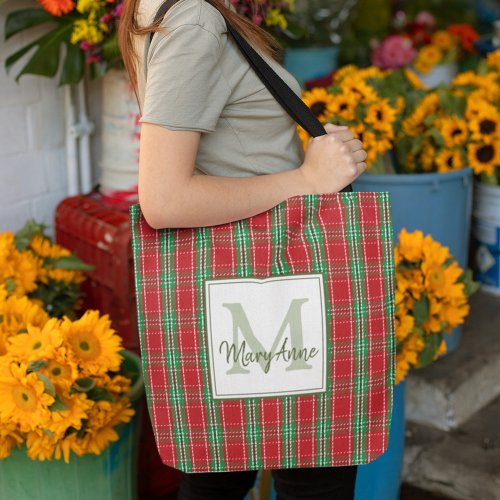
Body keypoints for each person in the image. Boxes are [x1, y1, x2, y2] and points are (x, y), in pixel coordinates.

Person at [119, 0, 367, 498]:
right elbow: (164, 200)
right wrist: (306, 178)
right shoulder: (194, 19)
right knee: (311, 477)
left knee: (220, 478)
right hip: (271, 287)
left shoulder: (177, 12)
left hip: (235, 292)